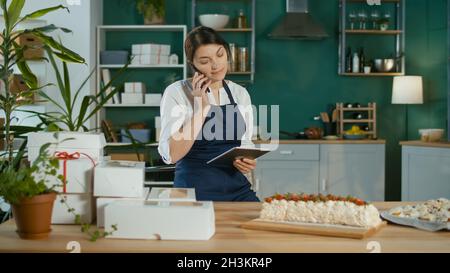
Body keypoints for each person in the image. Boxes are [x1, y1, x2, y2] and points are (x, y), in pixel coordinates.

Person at [158, 26, 259, 202]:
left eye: (220, 55)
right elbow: (172, 155)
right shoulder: (176, 92)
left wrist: (246, 160)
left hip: (238, 190)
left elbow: (245, 143)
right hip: (192, 193)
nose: (216, 65)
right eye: (205, 61)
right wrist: (201, 108)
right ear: (193, 64)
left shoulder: (239, 93)